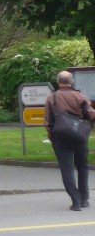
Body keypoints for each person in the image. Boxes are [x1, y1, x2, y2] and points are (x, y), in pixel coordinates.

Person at [44, 70, 95, 211]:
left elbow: (48, 121)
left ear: (58, 81)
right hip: (79, 137)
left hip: (60, 137)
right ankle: (84, 199)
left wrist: (52, 138)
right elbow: (90, 115)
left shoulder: (51, 98)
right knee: (83, 167)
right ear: (71, 82)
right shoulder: (80, 96)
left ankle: (76, 201)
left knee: (67, 169)